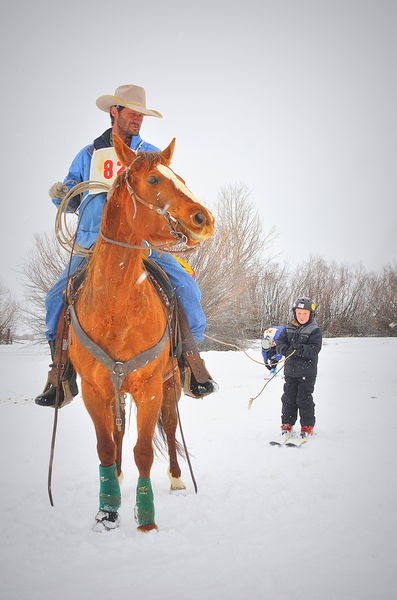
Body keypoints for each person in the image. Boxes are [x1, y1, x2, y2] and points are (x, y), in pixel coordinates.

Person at [35, 84, 217, 407]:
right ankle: (60, 371)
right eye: (132, 113)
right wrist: (62, 193)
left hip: (145, 243)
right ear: (114, 112)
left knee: (186, 287)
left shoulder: (151, 154)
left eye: (141, 115)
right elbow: (72, 196)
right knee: (56, 297)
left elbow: (167, 194)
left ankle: (190, 359)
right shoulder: (89, 154)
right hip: (94, 243)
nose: (137, 119)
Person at [275, 297, 322, 440]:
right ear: (295, 313)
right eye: (299, 313)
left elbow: (315, 348)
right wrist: (284, 349)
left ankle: (307, 425)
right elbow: (280, 342)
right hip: (290, 371)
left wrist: (301, 349)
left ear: (310, 314)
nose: (301, 316)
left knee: (303, 398)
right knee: (288, 398)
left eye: (305, 314)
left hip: (307, 372)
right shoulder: (288, 328)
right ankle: (287, 424)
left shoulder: (314, 330)